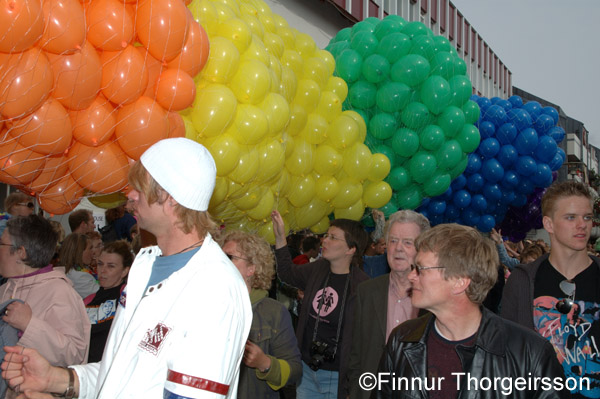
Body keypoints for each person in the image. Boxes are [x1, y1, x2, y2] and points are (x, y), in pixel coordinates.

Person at [1, 137, 252, 399]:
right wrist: (56, 378)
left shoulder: (214, 287)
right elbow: (120, 373)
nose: (130, 195)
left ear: (170, 198)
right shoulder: (145, 265)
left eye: (139, 188)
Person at [374, 223, 569, 399]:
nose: (411, 276)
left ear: (460, 281)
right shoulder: (403, 340)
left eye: (421, 269)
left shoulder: (529, 352)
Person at [502, 181, 600, 399]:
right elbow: (507, 355)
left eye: (587, 217)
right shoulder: (522, 281)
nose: (582, 225)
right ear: (549, 224)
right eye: (570, 217)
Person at [271, 210, 369, 399]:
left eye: (333, 237)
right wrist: (280, 237)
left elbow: (364, 342)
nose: (324, 241)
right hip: (307, 370)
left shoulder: (362, 287)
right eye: (326, 235)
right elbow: (286, 273)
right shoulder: (318, 269)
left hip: (337, 376)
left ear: (351, 249)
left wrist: (353, 386)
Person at [0, 215, 90, 398]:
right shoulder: (5, 288)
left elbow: (74, 355)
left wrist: (29, 324)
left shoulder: (59, 292)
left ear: (21, 253)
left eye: (2, 244)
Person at [349, 210, 430, 399]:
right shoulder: (367, 291)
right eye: (393, 241)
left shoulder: (434, 296)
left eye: (408, 242)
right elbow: (356, 355)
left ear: (423, 248)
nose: (398, 248)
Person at [219, 230, 302, 399]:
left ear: (251, 269)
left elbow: (295, 371)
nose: (221, 262)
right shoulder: (209, 306)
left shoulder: (273, 312)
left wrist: (265, 363)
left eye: (230, 257)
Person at [84, 240, 133, 363]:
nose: (103, 271)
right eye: (100, 264)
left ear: (124, 271)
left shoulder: (128, 300)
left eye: (111, 266)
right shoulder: (87, 300)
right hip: (85, 367)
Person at [59, 233, 99, 298]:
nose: (93, 252)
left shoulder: (82, 269)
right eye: (90, 248)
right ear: (79, 252)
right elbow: (100, 295)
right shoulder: (78, 276)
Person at [362, 210, 389, 278]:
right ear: (373, 245)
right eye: (383, 244)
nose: (386, 247)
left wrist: (381, 222)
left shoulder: (385, 259)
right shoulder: (360, 261)